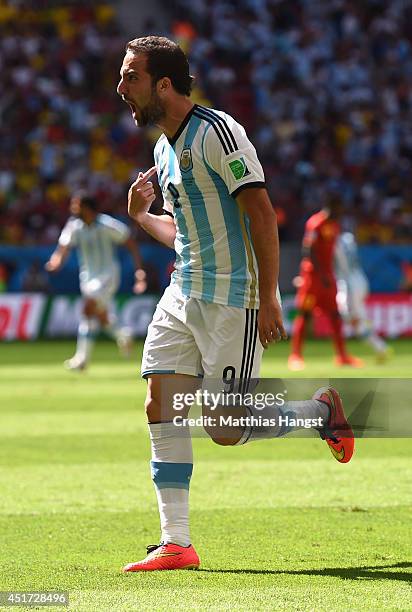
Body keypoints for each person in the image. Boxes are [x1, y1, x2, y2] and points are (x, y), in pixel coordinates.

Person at [117, 36, 355, 573]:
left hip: (233, 298)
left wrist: (270, 296)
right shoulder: (161, 150)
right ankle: (176, 542)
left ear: (163, 83)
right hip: (183, 292)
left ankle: (319, 412)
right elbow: (186, 235)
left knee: (226, 428)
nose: (121, 87)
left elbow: (262, 215)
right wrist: (140, 217)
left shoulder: (218, 133)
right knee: (160, 402)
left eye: (130, 76)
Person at [45, 191, 146, 370]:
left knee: (87, 309)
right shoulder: (73, 226)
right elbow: (63, 248)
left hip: (107, 276)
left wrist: (139, 271)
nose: (73, 208)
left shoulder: (107, 225)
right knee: (95, 316)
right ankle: (122, 334)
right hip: (87, 277)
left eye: (76, 205)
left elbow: (130, 242)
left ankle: (81, 359)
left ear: (86, 208)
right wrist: (55, 262)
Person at [288, 200, 363, 371]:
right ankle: (296, 356)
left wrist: (332, 274)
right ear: (332, 208)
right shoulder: (316, 223)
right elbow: (308, 250)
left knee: (335, 315)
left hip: (328, 278)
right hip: (313, 278)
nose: (341, 213)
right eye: (339, 209)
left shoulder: (334, 225)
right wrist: (320, 274)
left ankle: (342, 356)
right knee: (305, 315)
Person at [335, 232, 391, 363]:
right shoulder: (348, 239)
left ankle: (381, 348)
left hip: (349, 282)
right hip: (360, 279)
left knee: (353, 319)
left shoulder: (335, 242)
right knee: (358, 318)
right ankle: (380, 347)